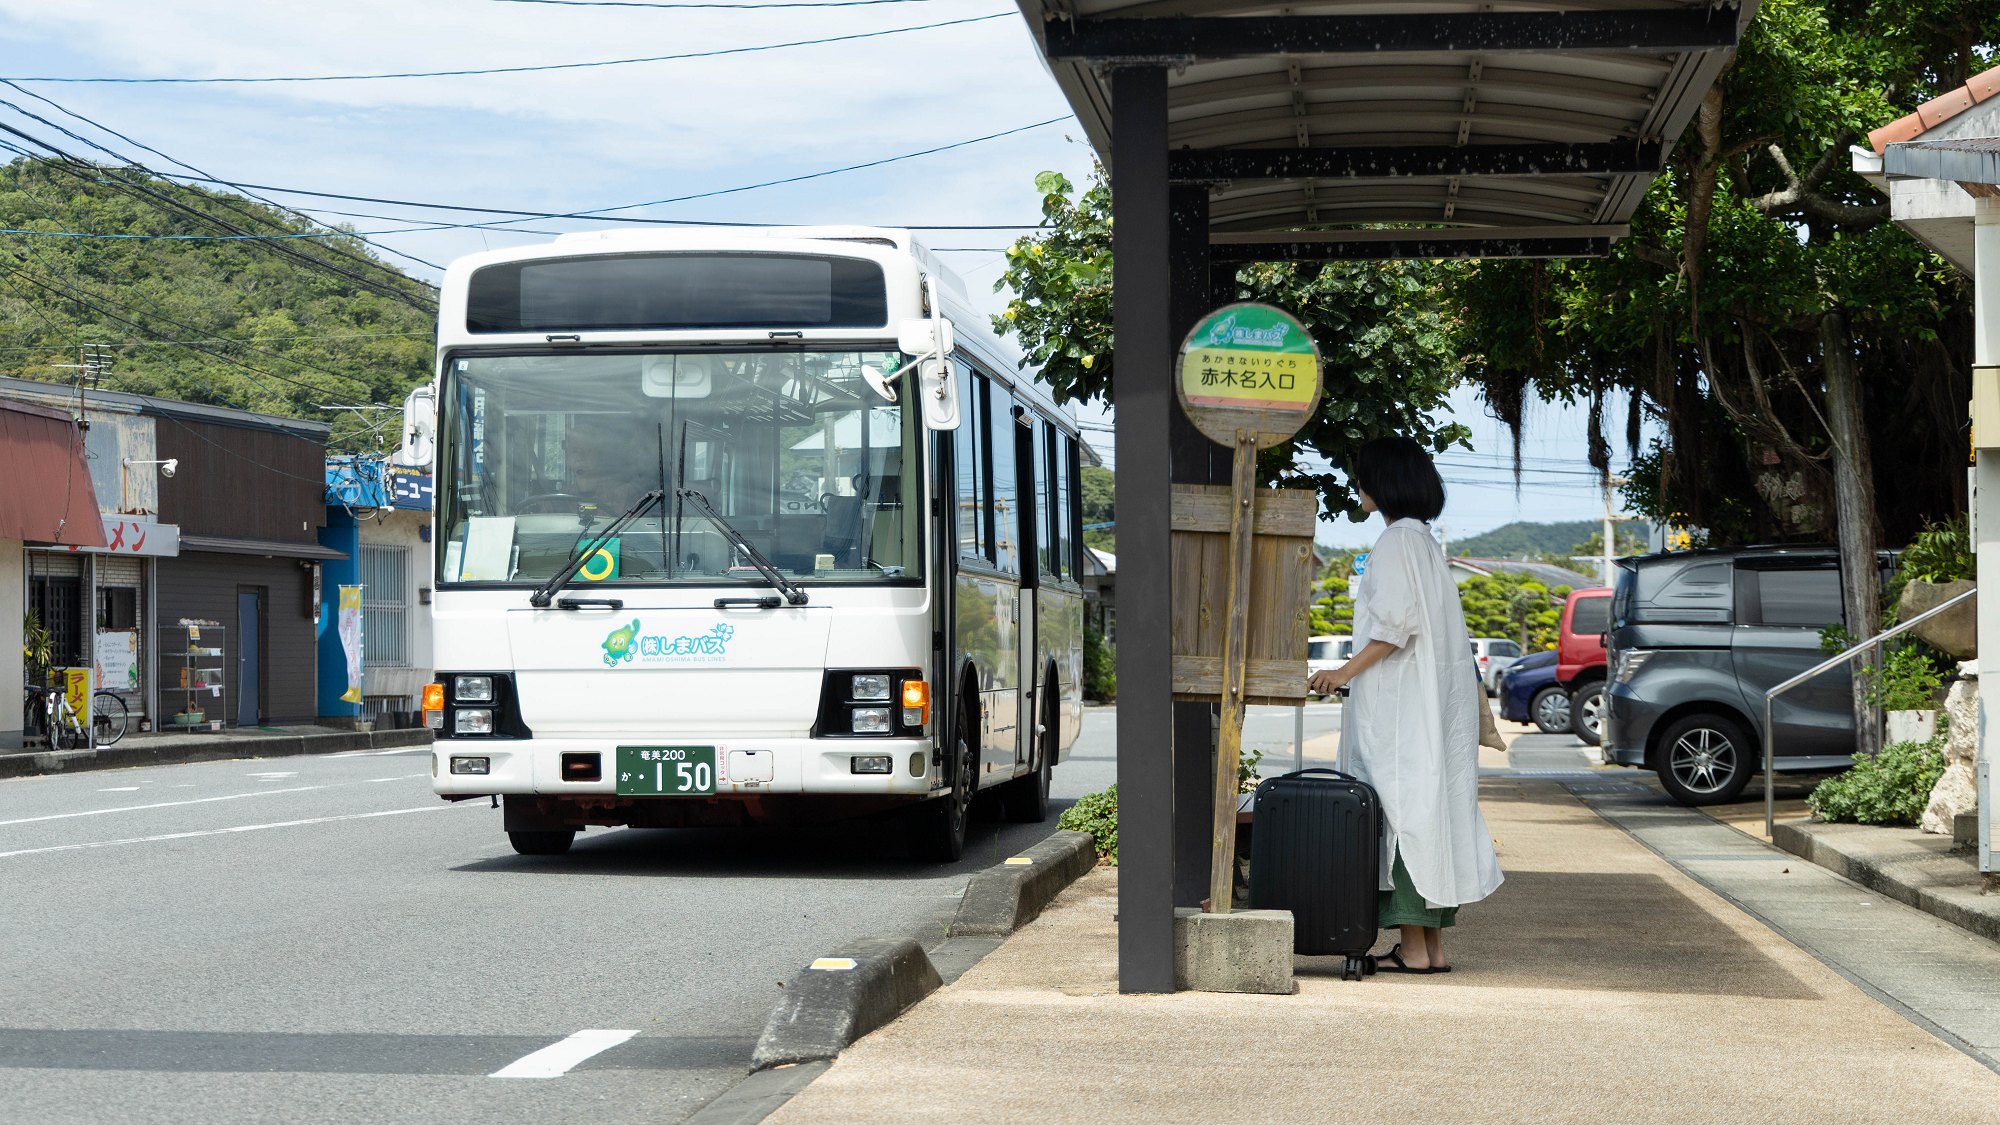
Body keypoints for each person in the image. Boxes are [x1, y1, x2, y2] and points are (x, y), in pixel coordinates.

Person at [1307, 436, 1503, 974]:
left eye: (1363, 475)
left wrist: (1339, 673)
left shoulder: (1395, 543)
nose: (1358, 485)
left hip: (1399, 705)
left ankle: (1415, 950)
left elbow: (1393, 628)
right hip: (1433, 705)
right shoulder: (1425, 543)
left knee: (1399, 813)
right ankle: (1432, 948)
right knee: (1431, 811)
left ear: (1383, 482)